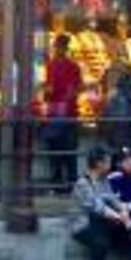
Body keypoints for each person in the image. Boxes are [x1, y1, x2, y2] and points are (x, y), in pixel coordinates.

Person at [44, 34, 83, 192]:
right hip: (70, 112)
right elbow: (77, 89)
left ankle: (58, 183)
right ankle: (70, 182)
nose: (55, 49)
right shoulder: (73, 66)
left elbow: (50, 89)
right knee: (69, 150)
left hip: (57, 112)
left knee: (56, 150)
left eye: (56, 46)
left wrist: (49, 94)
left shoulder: (52, 66)